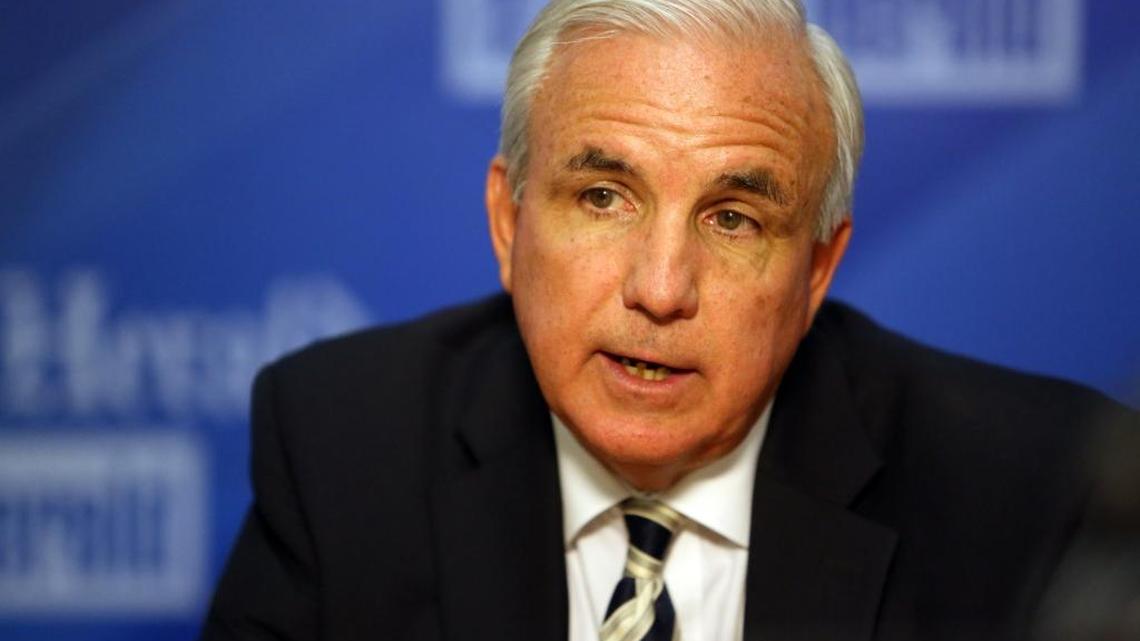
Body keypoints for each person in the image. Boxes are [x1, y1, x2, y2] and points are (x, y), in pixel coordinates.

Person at [199, 1, 1138, 640]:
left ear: (816, 271)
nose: (659, 288)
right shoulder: (343, 447)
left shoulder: (1033, 493)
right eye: (604, 196)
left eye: (734, 219)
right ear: (508, 223)